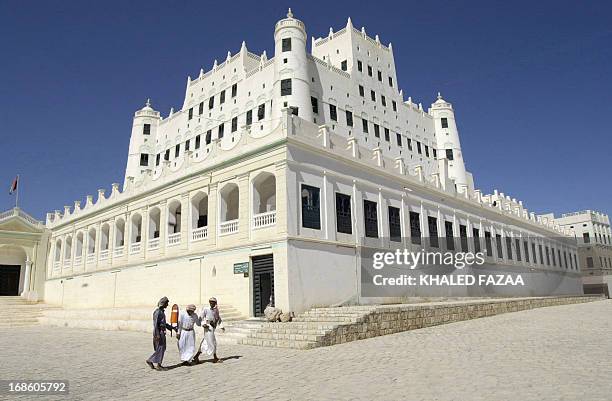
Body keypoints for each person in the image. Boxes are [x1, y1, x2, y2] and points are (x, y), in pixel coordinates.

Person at [146, 296, 174, 371]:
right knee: (160, 348)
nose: (167, 305)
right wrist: (157, 334)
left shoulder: (162, 312)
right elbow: (155, 324)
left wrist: (171, 328)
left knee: (162, 348)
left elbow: (163, 323)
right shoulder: (158, 312)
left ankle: (157, 363)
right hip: (159, 333)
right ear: (163, 303)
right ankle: (153, 362)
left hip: (162, 332)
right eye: (166, 303)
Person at [194, 297, 225, 363]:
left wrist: (221, 326)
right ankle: (215, 357)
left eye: (213, 302)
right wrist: (203, 324)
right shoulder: (206, 309)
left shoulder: (216, 310)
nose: (211, 303)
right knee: (212, 342)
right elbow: (201, 318)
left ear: (215, 303)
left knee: (206, 342)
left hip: (213, 327)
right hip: (208, 327)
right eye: (210, 302)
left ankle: (196, 356)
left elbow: (218, 318)